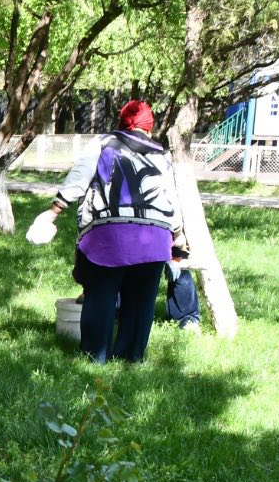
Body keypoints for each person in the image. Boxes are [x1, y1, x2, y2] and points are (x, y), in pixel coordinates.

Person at [26, 99, 181, 364]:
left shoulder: (103, 143)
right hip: (155, 238)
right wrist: (178, 235)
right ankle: (131, 359)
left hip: (109, 237)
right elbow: (172, 198)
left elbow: (79, 177)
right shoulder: (161, 155)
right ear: (149, 127)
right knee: (141, 303)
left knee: (101, 297)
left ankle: (95, 357)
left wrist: (54, 210)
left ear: (122, 122)